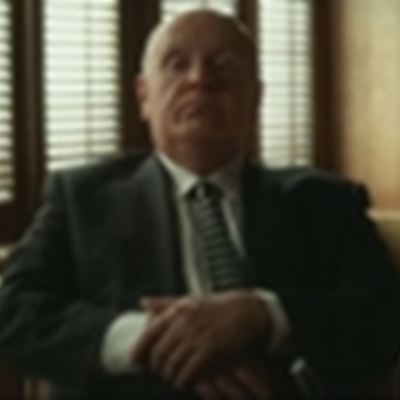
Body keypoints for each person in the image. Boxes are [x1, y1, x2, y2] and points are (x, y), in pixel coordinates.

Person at [0, 9, 400, 400]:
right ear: (144, 96)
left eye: (224, 66)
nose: (201, 79)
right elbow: (13, 314)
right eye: (177, 64)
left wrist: (264, 316)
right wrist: (154, 341)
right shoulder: (81, 199)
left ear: (256, 98)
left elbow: (384, 319)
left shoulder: (324, 201)